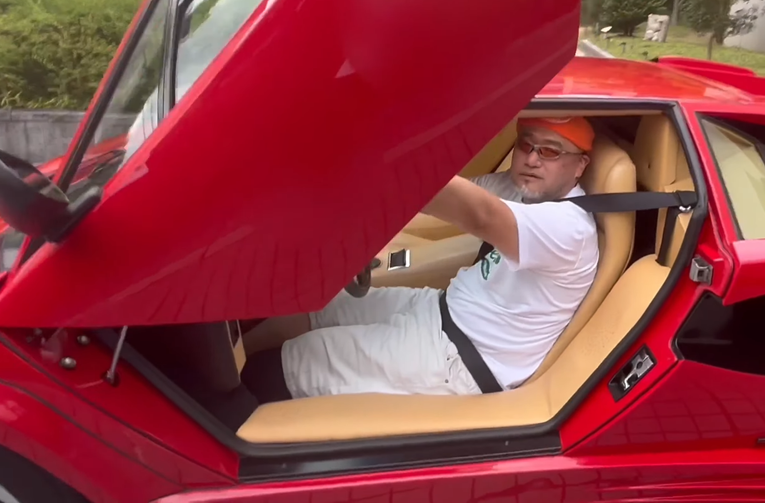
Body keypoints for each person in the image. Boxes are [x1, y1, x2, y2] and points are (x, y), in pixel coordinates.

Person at [242, 116, 600, 401]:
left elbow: (479, 213)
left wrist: (375, 153)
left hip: (458, 358)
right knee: (314, 309)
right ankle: (229, 367)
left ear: (580, 166)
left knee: (291, 364)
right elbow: (445, 193)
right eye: (526, 145)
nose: (533, 158)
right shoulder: (528, 191)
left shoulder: (569, 227)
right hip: (440, 309)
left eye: (551, 152)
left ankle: (228, 411)